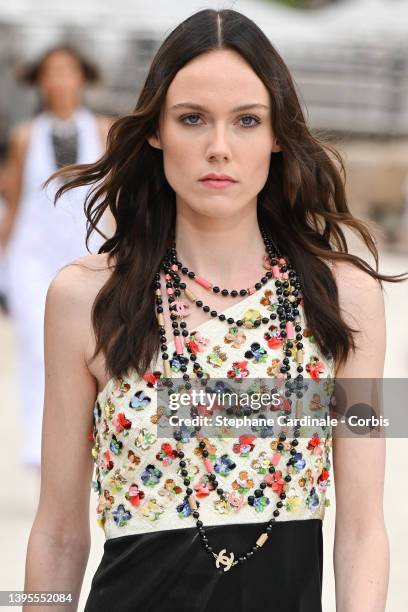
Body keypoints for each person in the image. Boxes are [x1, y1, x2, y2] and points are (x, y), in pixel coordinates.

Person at [23, 9, 405, 612]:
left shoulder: (348, 299)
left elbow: (363, 530)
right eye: (192, 119)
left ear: (279, 134)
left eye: (247, 121)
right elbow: (56, 531)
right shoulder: (82, 300)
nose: (219, 148)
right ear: (155, 131)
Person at [0, 45, 114, 468]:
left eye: (67, 71)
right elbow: (13, 202)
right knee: (34, 345)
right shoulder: (25, 136)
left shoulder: (103, 129)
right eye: (51, 73)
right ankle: (37, 439)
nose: (60, 81)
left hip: (85, 250)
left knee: (93, 344)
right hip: (33, 253)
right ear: (41, 82)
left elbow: (113, 199)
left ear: (81, 78)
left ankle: (88, 432)